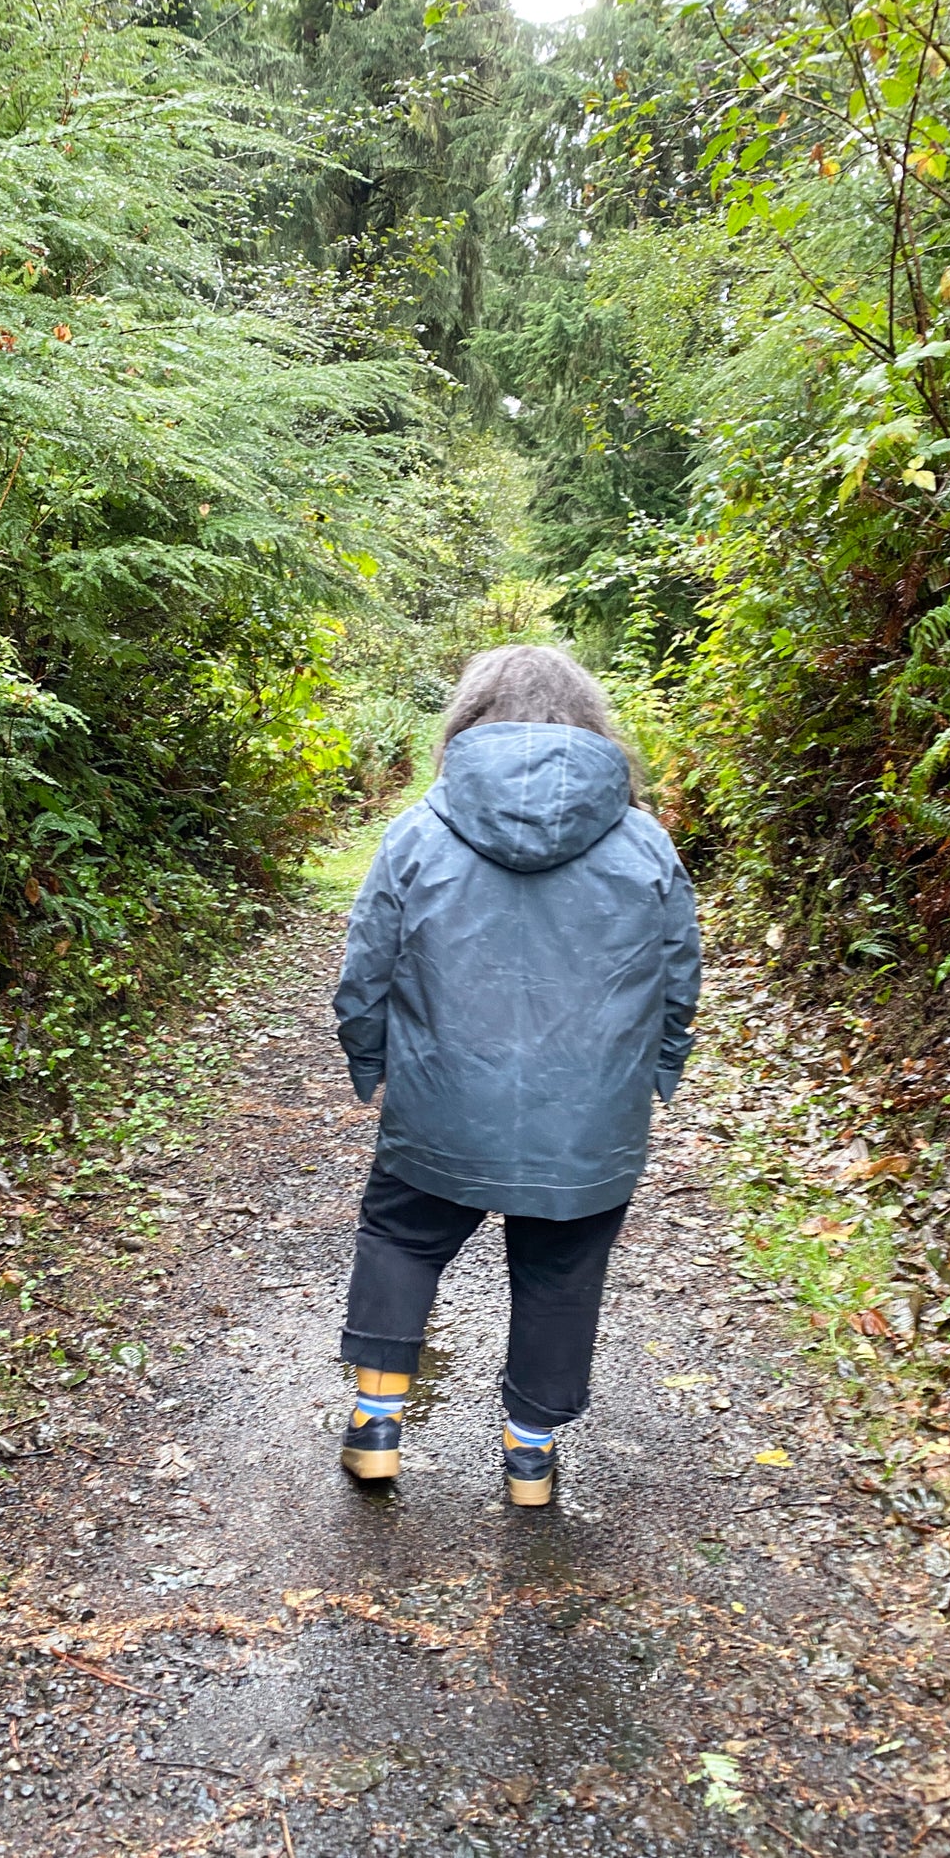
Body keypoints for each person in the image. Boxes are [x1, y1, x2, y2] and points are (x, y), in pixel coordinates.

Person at [332, 644, 701, 1505]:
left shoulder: (419, 829)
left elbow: (366, 967)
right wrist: (659, 1070)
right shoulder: (643, 842)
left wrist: (371, 1061)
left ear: (469, 717)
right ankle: (528, 1459)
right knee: (561, 1271)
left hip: (440, 1104)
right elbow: (678, 975)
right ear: (590, 723)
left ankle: (376, 1429)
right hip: (591, 1121)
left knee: (403, 1236)